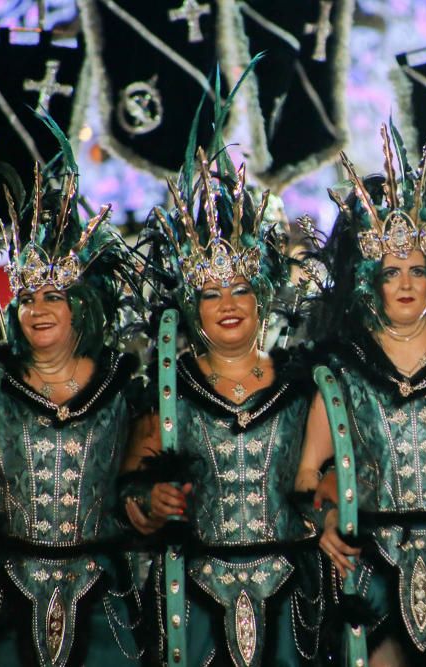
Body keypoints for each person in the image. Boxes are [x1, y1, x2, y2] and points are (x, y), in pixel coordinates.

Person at [297, 124, 426, 666]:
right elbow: (307, 474)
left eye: (416, 270)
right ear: (371, 282)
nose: (405, 283)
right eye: (391, 273)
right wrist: (325, 524)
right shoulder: (343, 367)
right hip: (375, 567)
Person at [120, 143, 323, 666]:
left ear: (263, 295)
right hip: (196, 602)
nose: (227, 305)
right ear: (193, 308)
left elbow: (337, 475)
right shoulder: (168, 387)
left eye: (239, 289)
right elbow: (132, 489)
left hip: (291, 597)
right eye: (210, 295)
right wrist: (152, 502)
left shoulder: (305, 385)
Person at [0, 152, 145, 666]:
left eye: (53, 295)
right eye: (28, 296)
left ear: (82, 303)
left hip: (105, 601)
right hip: (8, 599)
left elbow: (142, 489)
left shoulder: (125, 390)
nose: (38, 309)